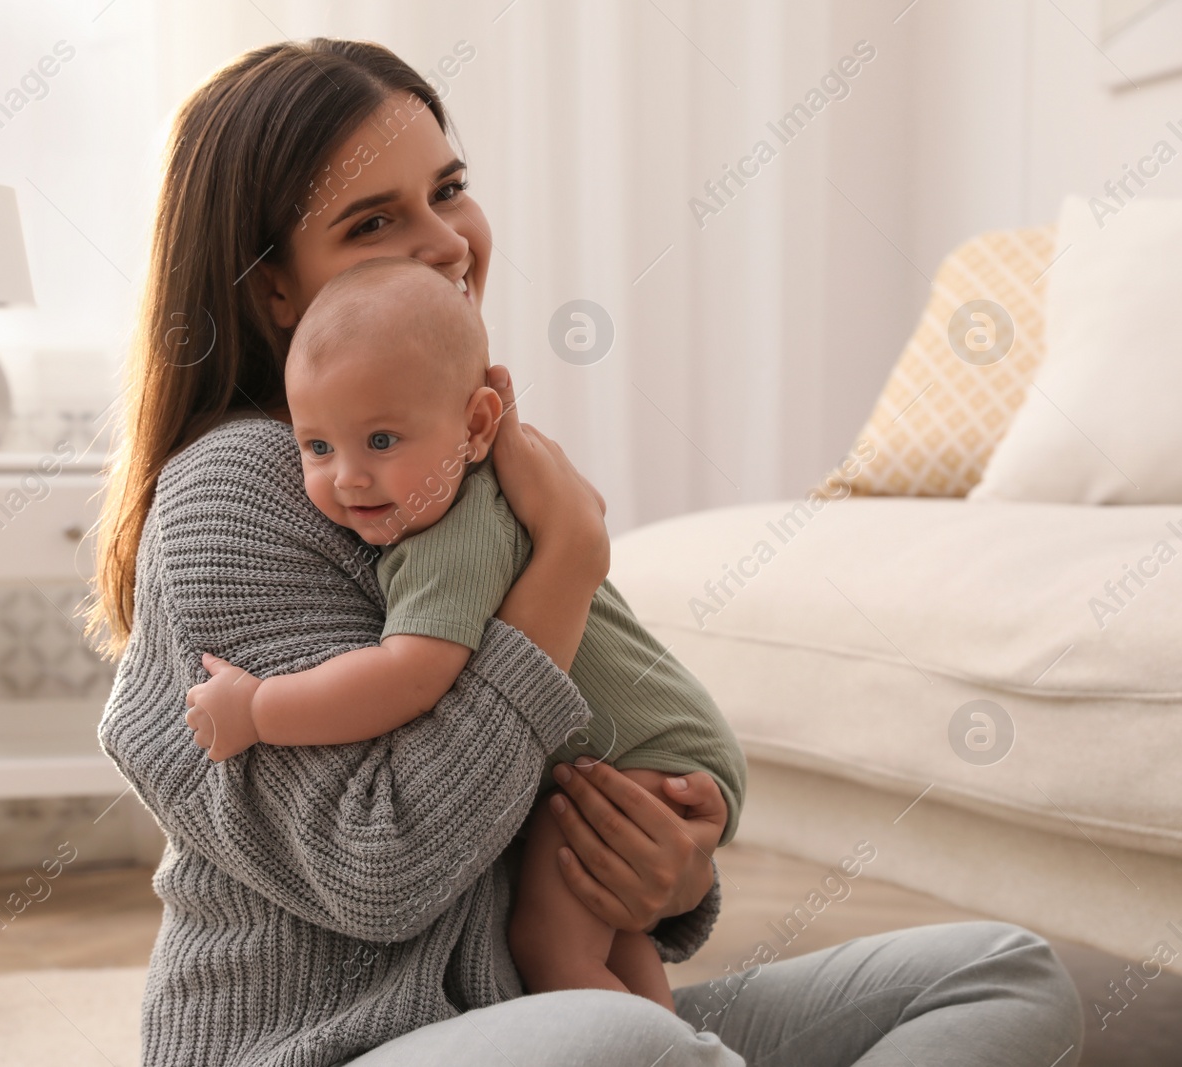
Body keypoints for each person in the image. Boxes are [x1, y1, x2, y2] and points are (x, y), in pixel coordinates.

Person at [92, 36, 1084, 1067]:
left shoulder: (449, 463)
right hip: (329, 1046)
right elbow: (382, 867)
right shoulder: (234, 492)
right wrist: (565, 557)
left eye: (449, 189)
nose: (448, 242)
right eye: (375, 220)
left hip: (516, 1013)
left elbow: (562, 774)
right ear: (272, 293)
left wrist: (669, 872)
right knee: (623, 1037)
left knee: (1001, 971)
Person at [180, 255, 746, 1012]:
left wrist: (259, 710)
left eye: (381, 441)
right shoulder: (446, 496)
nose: (347, 477)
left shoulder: (453, 531)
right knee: (613, 941)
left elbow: (408, 675)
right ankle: (672, 1041)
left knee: (549, 945)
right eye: (318, 447)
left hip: (643, 757)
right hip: (653, 746)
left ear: (477, 426)